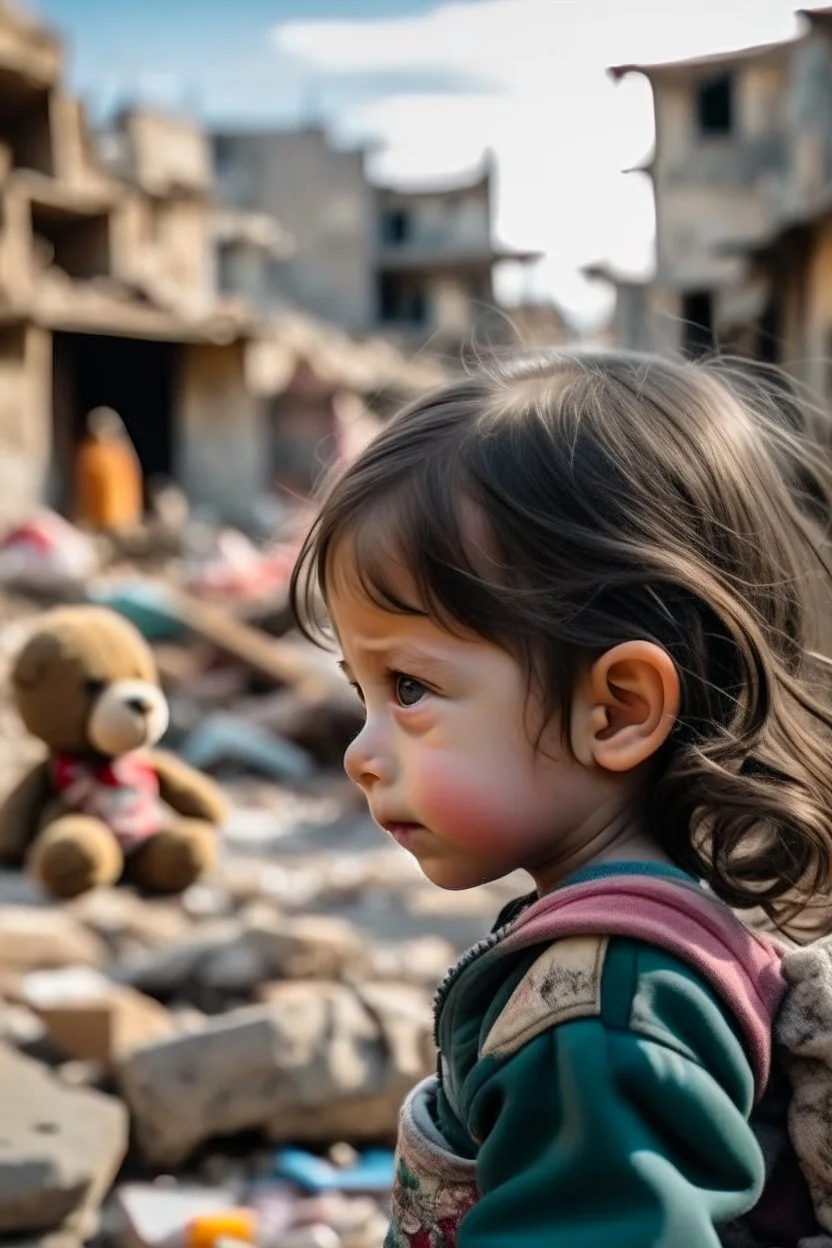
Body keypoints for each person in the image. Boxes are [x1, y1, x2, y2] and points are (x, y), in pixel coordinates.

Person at [290, 350, 832, 1246]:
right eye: (362, 692)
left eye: (411, 689)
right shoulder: (664, 941)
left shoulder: (605, 1007)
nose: (362, 754)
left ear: (617, 709)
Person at [74, 406, 143, 533]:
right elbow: (82, 486)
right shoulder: (89, 453)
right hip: (94, 518)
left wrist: (131, 516)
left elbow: (131, 484)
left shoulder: (121, 452)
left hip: (121, 517)